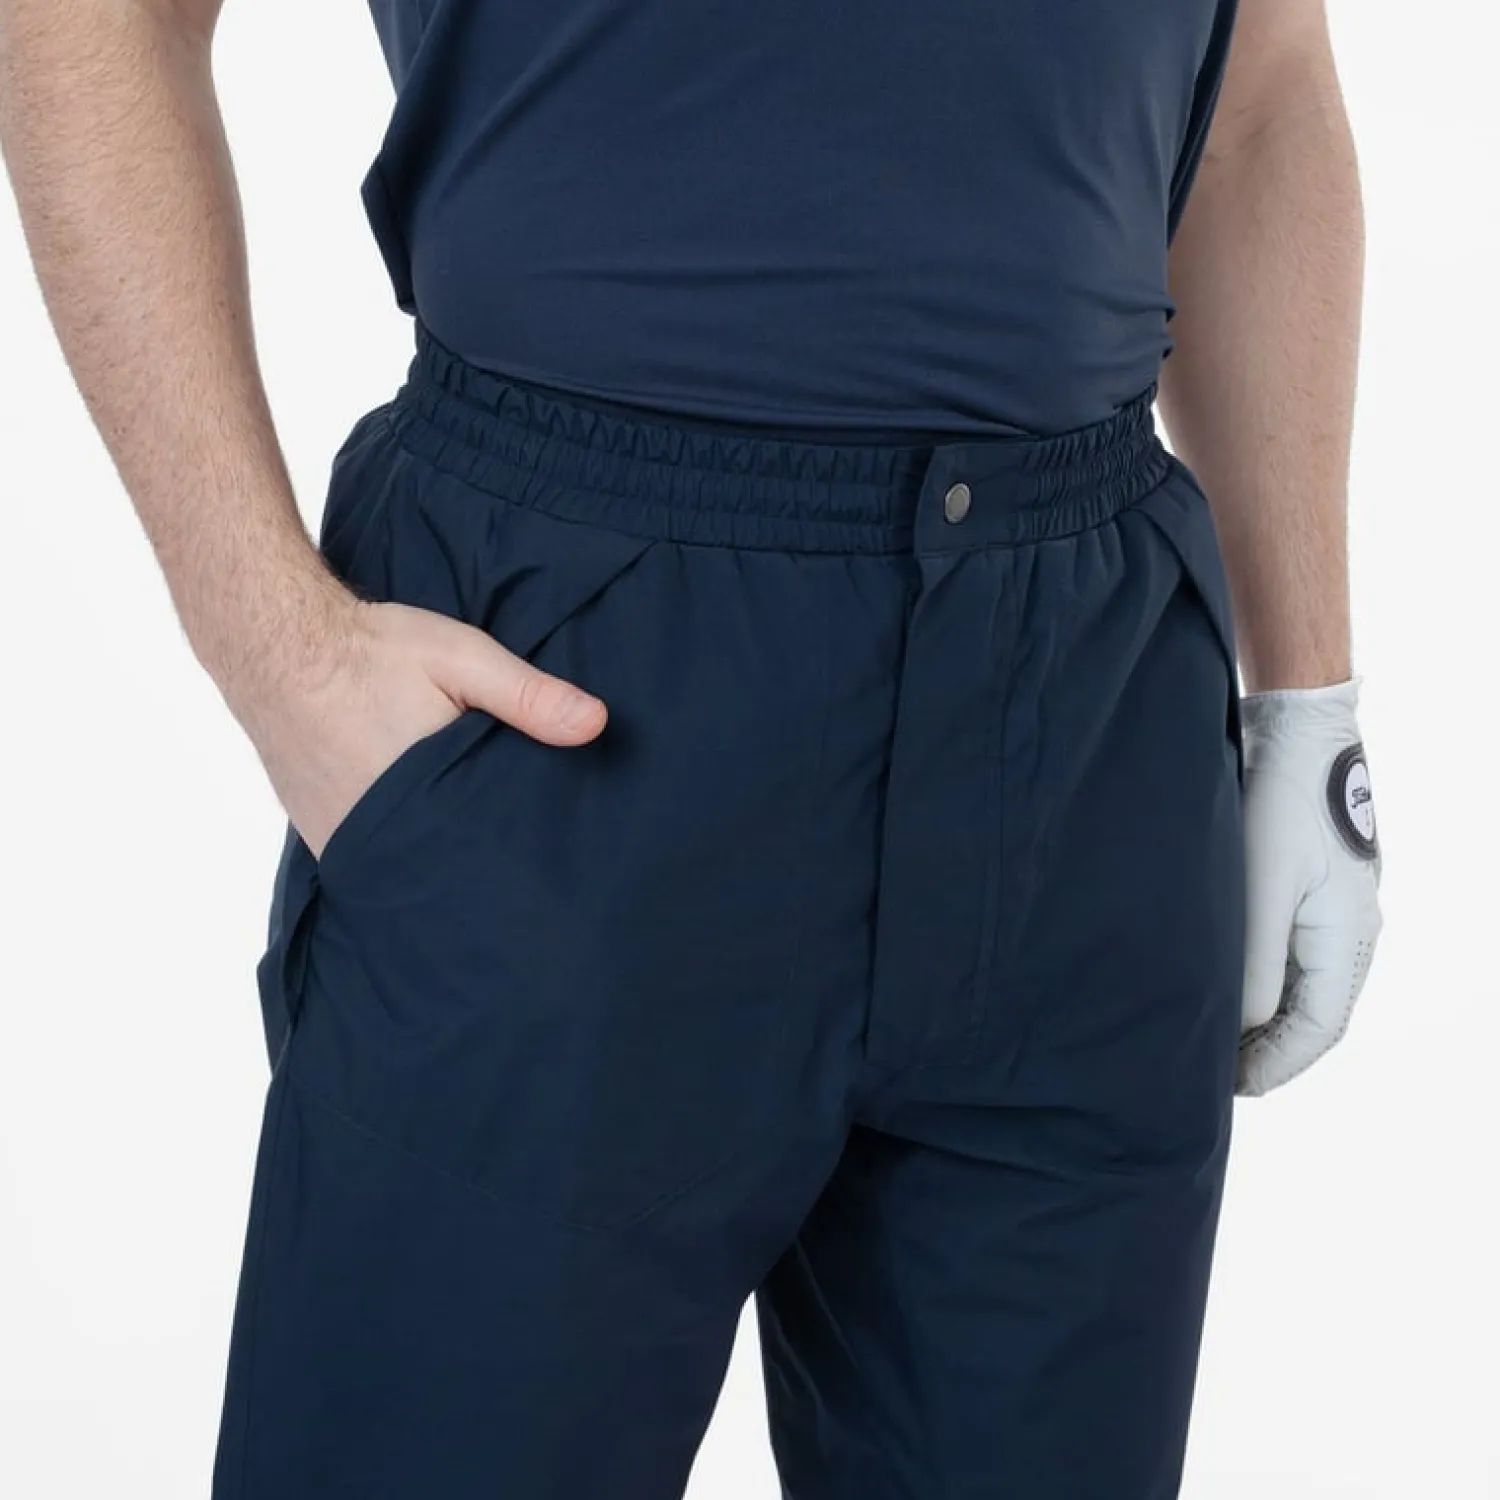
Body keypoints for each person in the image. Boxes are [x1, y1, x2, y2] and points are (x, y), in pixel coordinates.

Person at [0, 0, 1384, 1494]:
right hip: (569, 673)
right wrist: (278, 651)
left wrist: (1308, 697)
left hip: (1089, 712)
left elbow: (1260, 93)